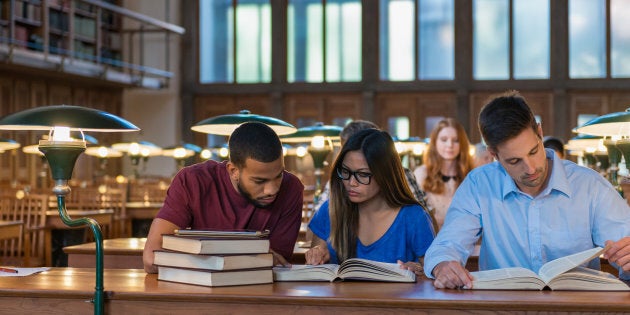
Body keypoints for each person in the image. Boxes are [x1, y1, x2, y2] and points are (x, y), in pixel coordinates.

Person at [424, 90, 630, 289]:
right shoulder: (479, 184)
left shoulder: (590, 185)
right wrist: (443, 265)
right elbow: (446, 245)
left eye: (533, 151)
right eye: (514, 161)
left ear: (539, 132)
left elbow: (625, 244)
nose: (530, 168)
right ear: (493, 153)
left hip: (576, 308)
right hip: (503, 309)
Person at [143, 122, 304, 273]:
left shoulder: (291, 188)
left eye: (278, 176)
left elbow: (277, 262)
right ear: (233, 171)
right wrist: (249, 255)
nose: (272, 189)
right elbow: (151, 259)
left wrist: (208, 255)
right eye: (259, 181)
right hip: (198, 293)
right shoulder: (192, 181)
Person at [306, 128, 435, 276]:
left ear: (385, 175)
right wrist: (316, 255)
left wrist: (420, 270)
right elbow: (316, 264)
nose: (351, 182)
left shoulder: (413, 217)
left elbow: (434, 272)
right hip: (342, 299)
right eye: (346, 172)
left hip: (394, 299)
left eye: (363, 174)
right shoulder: (330, 210)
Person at [314, 120, 428, 212]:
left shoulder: (400, 175)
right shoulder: (340, 177)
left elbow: (424, 217)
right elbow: (315, 226)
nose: (352, 182)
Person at [413, 118, 474, 230]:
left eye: (456, 140)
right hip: (431, 241)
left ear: (462, 144)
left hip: (466, 242)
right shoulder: (422, 174)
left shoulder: (472, 176)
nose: (450, 145)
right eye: (444, 139)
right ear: (435, 142)